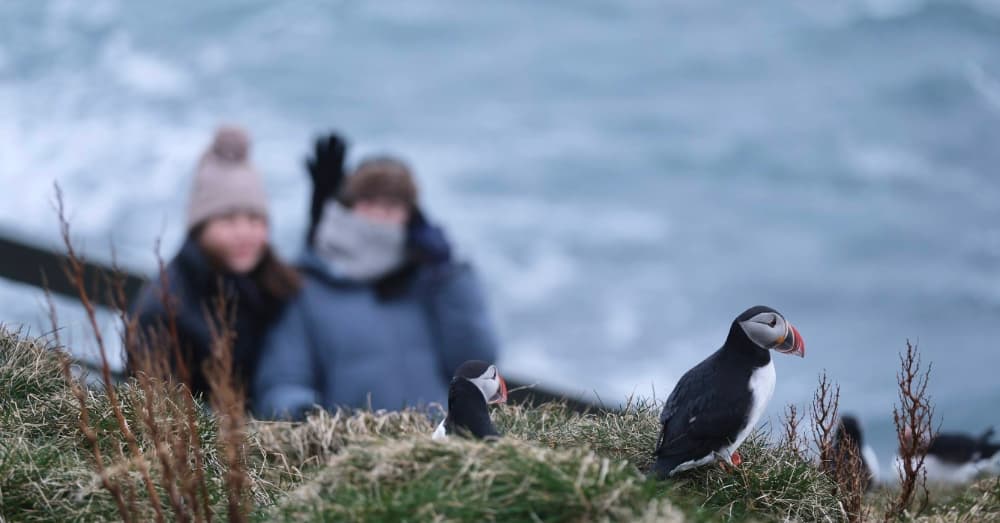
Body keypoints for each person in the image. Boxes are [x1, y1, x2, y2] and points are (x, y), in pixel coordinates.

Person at [253, 141, 500, 420]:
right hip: (358, 453)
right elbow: (282, 384)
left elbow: (476, 365)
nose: (381, 216)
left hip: (441, 446)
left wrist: (449, 277)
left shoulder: (431, 281)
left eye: (393, 205)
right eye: (369, 203)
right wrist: (313, 422)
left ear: (412, 217)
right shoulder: (306, 288)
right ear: (347, 208)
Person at [129, 126, 301, 404]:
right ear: (200, 228)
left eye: (255, 219)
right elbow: (155, 412)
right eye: (228, 220)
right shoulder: (163, 311)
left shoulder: (267, 277)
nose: (244, 232)